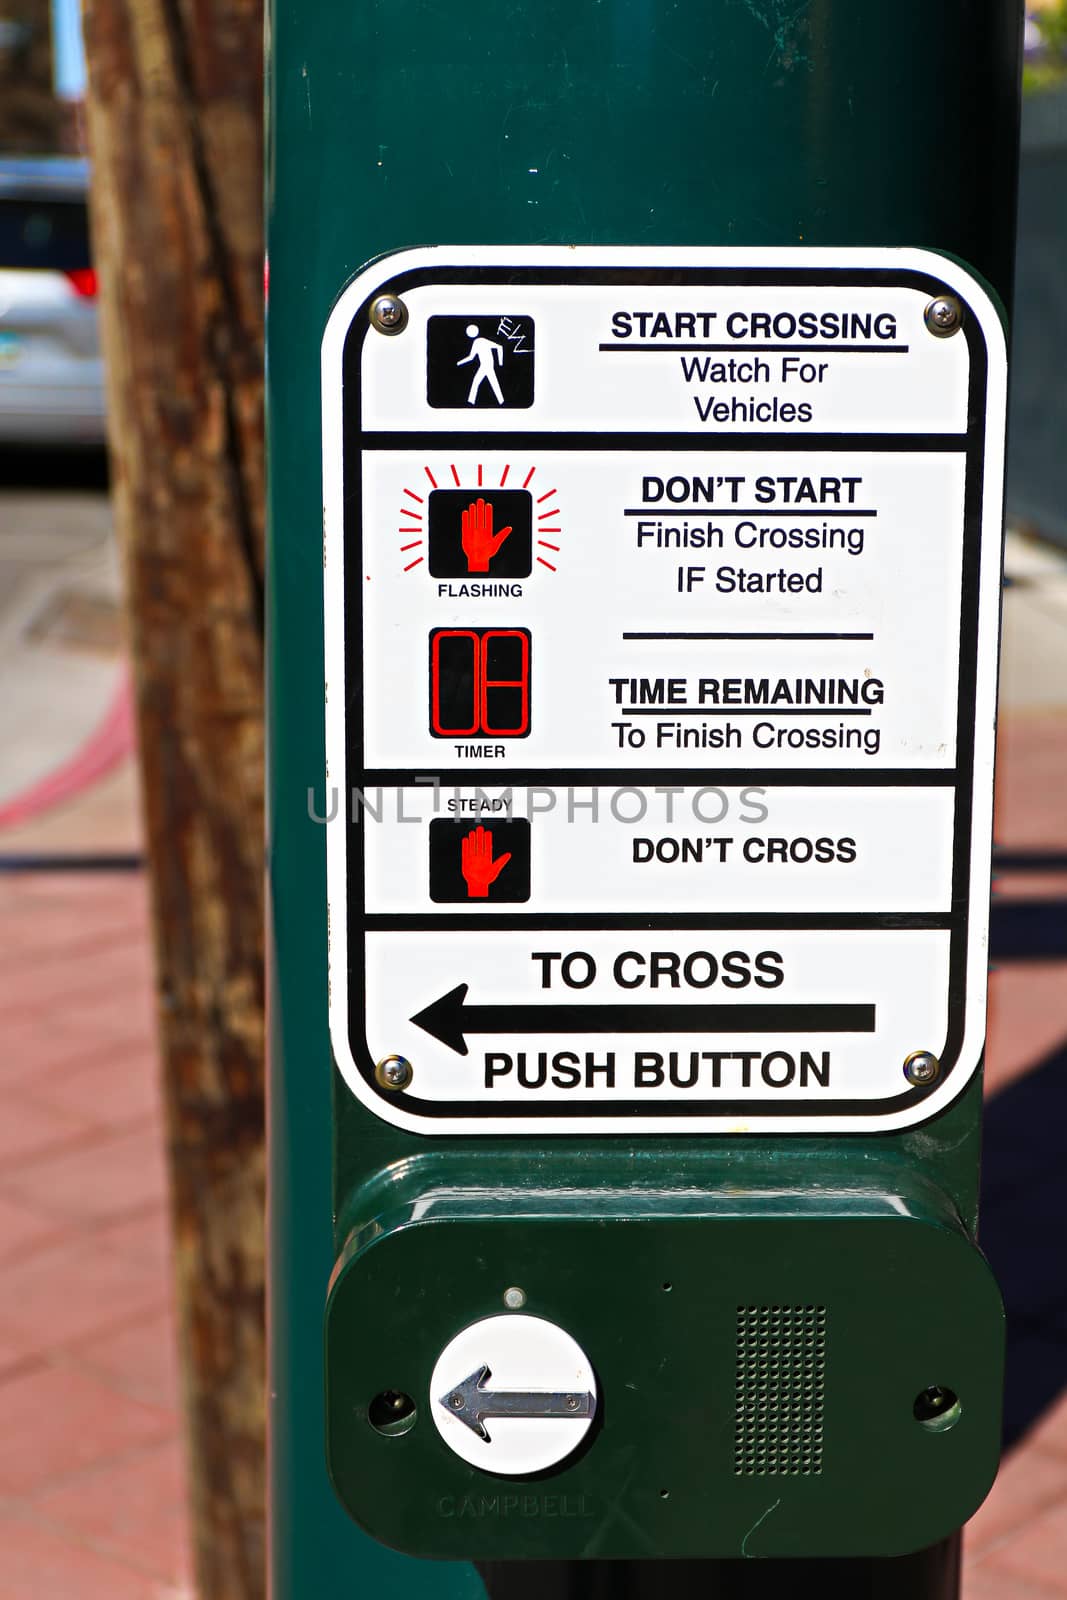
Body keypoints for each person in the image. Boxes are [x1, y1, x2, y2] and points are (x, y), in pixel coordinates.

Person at [456, 324, 505, 405]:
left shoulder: (480, 341)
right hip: (485, 365)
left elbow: (499, 347)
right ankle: (501, 401)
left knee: (482, 382)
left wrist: (500, 363)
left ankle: (471, 401)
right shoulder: (477, 342)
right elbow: (471, 357)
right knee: (486, 383)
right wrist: (459, 363)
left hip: (487, 365)